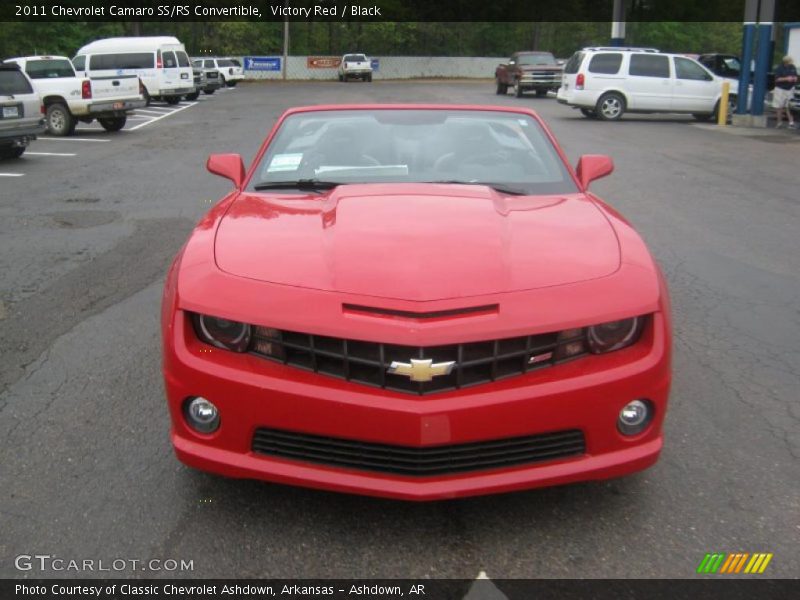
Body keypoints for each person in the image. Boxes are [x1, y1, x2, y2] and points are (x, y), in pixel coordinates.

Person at [773, 55, 798, 128]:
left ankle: (791, 123)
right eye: (789, 62)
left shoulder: (792, 67)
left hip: (790, 89)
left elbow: (795, 75)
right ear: (785, 62)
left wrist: (795, 78)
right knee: (779, 106)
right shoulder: (779, 68)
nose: (790, 63)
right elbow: (777, 79)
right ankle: (779, 123)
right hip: (780, 89)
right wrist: (786, 79)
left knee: (788, 106)